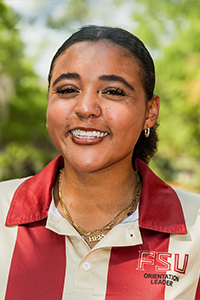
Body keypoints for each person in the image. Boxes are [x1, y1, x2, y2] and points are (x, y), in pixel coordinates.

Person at [0, 25, 200, 300]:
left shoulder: (195, 228)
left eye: (113, 92)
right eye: (68, 89)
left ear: (150, 112)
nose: (85, 108)